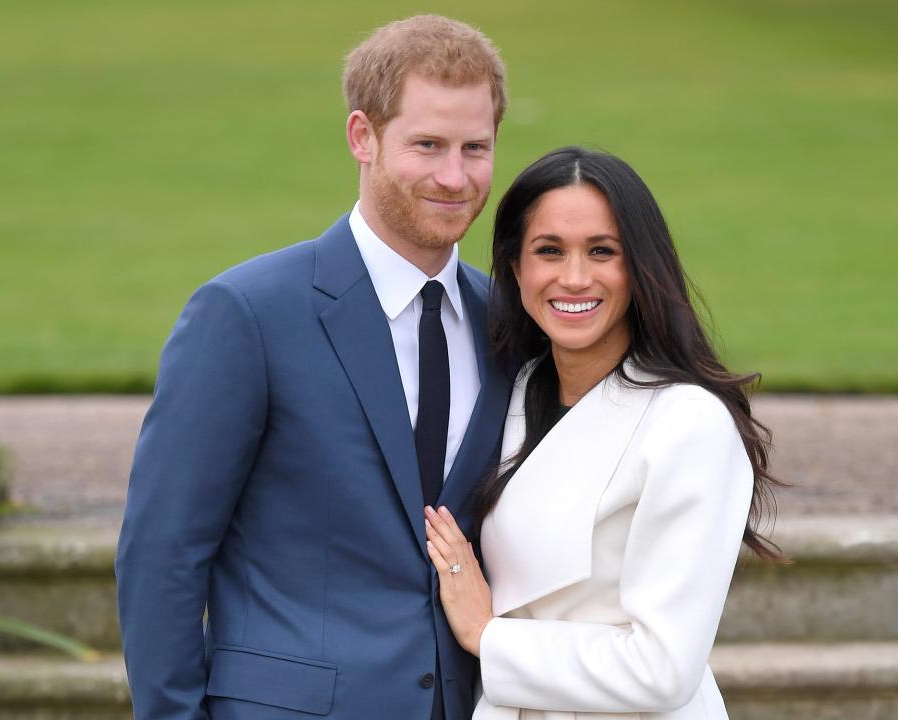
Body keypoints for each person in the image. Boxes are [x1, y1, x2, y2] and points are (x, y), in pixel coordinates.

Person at [116, 15, 512, 720]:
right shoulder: (245, 314)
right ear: (363, 137)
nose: (455, 177)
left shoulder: (507, 323)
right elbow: (163, 555)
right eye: (427, 145)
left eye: (474, 148)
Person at [425, 147, 783, 719]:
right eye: (548, 251)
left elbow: (662, 670)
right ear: (516, 268)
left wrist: (488, 635)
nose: (573, 277)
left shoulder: (688, 423)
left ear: (641, 269)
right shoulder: (515, 391)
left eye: (601, 252)